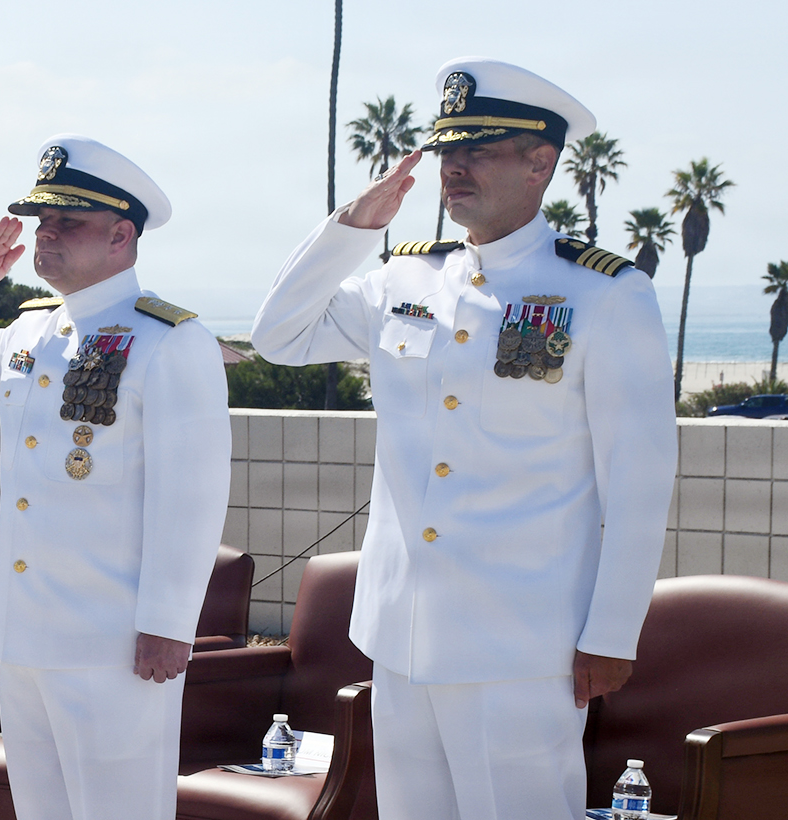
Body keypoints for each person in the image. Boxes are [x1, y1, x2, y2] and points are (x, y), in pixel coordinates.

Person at [251, 57, 677, 820]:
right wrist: (354, 230)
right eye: (449, 150)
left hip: (521, 644)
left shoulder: (604, 294)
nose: (455, 167)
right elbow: (279, 335)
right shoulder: (404, 281)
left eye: (479, 149)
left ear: (540, 163)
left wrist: (612, 632)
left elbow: (639, 482)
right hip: (401, 632)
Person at [0, 135, 232, 820]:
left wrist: (169, 623)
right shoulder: (29, 334)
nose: (45, 235)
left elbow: (192, 495)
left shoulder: (171, 341)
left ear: (121, 236)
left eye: (67, 223)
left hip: (116, 642)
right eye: (41, 220)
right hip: (25, 635)